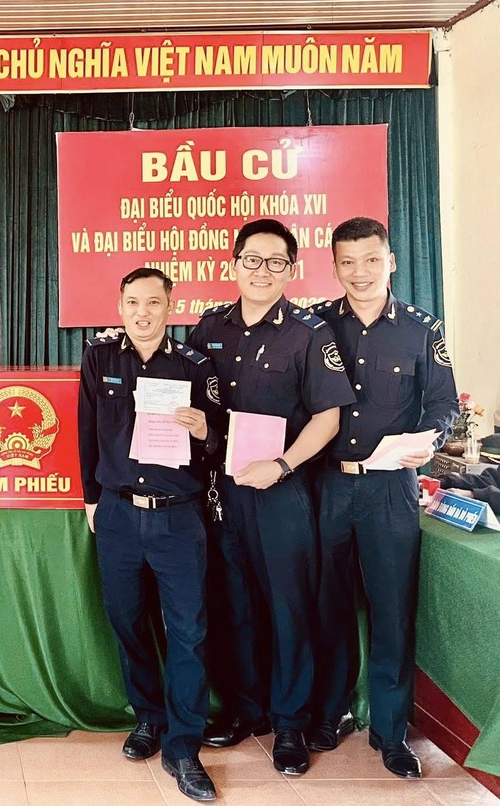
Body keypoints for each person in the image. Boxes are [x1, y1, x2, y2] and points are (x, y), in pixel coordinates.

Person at [187, 219, 355, 776]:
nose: (262, 271)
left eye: (276, 262)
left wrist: (281, 465)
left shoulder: (309, 333)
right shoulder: (209, 327)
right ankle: (246, 709)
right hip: (222, 491)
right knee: (233, 604)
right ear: (233, 264)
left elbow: (328, 419)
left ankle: (289, 723)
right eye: (252, 260)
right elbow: (195, 403)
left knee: (288, 608)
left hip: (282, 491)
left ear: (291, 269)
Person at [309, 217, 458, 778]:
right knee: (328, 605)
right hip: (326, 486)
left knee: (392, 612)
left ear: (390, 261)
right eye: (348, 262)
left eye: (371, 259)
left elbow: (443, 404)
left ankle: (391, 731)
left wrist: (430, 441)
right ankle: (333, 711)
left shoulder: (421, 329)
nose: (360, 272)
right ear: (334, 266)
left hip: (390, 490)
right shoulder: (316, 324)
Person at [78, 268, 222, 802]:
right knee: (128, 622)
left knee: (188, 631)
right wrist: (91, 499)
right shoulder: (100, 358)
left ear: (170, 307)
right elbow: (87, 429)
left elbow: (219, 439)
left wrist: (204, 429)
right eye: (133, 302)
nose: (142, 312)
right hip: (117, 513)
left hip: (178, 517)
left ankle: (183, 747)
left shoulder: (194, 365)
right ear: (120, 306)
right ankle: (148, 717)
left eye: (154, 302)